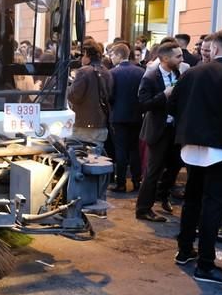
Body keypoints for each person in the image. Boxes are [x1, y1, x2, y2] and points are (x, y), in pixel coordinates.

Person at [169, 29, 222, 284]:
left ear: (215, 49)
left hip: (191, 144)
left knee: (193, 199)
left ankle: (185, 250)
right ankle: (206, 265)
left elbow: (172, 105)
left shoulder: (192, 73)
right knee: (213, 204)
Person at [135, 42, 183, 222]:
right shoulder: (150, 77)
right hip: (157, 130)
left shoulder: (176, 73)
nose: (182, 59)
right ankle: (143, 209)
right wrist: (164, 95)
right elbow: (143, 104)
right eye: (178, 56)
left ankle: (163, 197)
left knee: (173, 166)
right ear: (165, 58)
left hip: (173, 129)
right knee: (153, 171)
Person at [108, 43, 144, 192]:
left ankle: (121, 183)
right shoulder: (140, 71)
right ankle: (136, 181)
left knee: (121, 150)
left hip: (118, 116)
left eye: (112, 55)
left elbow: (109, 95)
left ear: (118, 55)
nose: (111, 58)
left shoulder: (113, 73)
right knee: (134, 149)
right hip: (136, 116)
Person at [67, 41, 113, 147]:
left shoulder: (83, 71)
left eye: (81, 55)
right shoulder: (107, 71)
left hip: (82, 126)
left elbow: (74, 96)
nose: (80, 59)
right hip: (101, 124)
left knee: (78, 157)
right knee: (97, 158)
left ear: (86, 54)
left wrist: (69, 87)